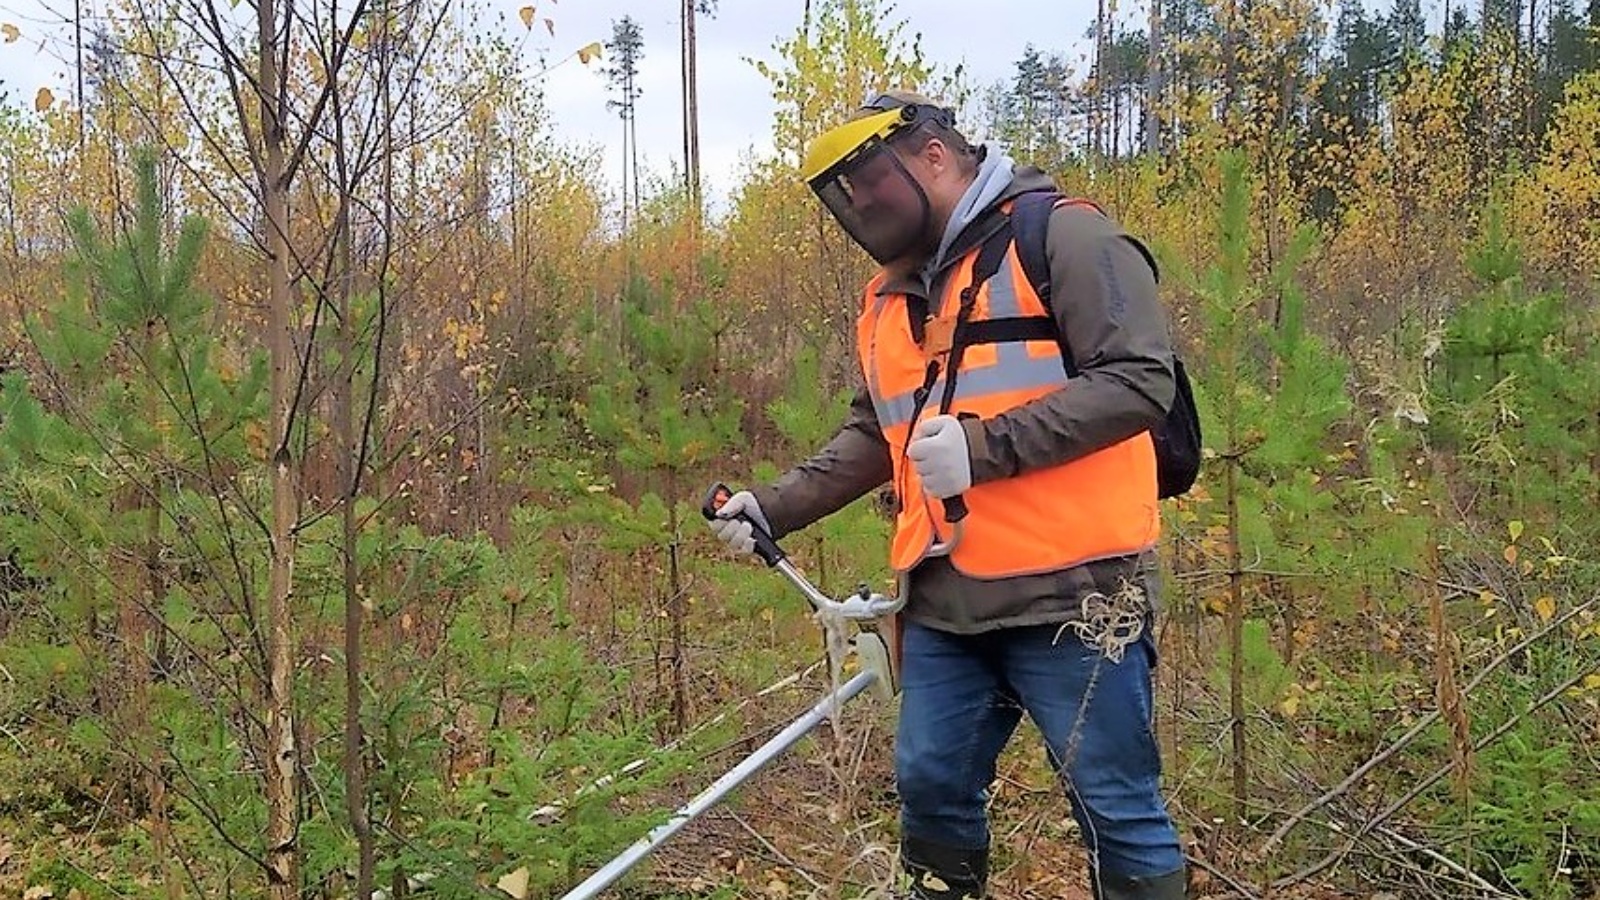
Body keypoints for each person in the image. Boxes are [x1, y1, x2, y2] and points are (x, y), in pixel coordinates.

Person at [707, 90, 1186, 900]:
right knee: (930, 789)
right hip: (944, 601)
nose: (862, 210)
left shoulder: (1064, 236)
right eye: (849, 199)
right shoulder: (892, 296)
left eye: (873, 188)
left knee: (1116, 809)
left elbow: (1142, 381)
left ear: (933, 156)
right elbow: (876, 431)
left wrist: (984, 449)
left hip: (1078, 595)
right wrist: (773, 507)